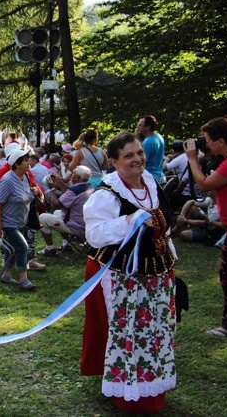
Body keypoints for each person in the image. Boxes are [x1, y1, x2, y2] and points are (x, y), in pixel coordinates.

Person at [82, 131, 177, 413]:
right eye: (129, 156)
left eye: (139, 153)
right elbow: (95, 235)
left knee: (155, 331)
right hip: (121, 276)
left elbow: (163, 225)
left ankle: (153, 381)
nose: (137, 159)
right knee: (129, 334)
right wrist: (130, 220)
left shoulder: (150, 181)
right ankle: (129, 392)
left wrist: (169, 252)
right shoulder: (107, 194)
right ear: (113, 162)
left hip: (155, 273)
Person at [184, 117, 227, 337]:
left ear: (221, 141)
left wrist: (192, 159)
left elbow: (204, 184)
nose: (205, 144)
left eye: (207, 140)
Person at [0, 147, 43, 291]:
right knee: (22, 247)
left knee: (12, 249)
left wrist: (36, 192)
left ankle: (6, 275)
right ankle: (24, 279)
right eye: (26, 160)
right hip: (8, 222)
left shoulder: (25, 177)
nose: (29, 162)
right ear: (17, 164)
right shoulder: (7, 181)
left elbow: (31, 195)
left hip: (22, 220)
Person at [38, 166, 92, 256]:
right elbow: (70, 192)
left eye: (73, 173)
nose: (71, 174)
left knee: (42, 217)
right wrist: (59, 182)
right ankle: (66, 244)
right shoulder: (88, 186)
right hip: (86, 224)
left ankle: (50, 248)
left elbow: (56, 203)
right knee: (57, 213)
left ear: (77, 177)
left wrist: (52, 189)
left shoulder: (75, 191)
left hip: (76, 226)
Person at [138, 115, 166, 183]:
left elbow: (143, 163)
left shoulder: (147, 143)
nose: (138, 127)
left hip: (150, 178)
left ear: (148, 127)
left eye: (140, 125)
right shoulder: (159, 137)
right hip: (159, 176)